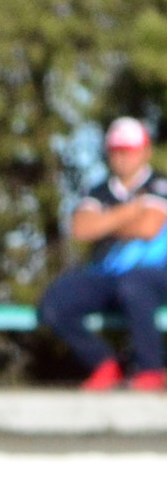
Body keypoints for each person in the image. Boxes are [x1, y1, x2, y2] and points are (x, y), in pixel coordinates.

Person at [36, 117, 167, 393]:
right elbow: (81, 228)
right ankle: (106, 363)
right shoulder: (99, 189)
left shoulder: (159, 185)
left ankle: (151, 368)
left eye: (128, 150)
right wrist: (130, 211)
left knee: (134, 285)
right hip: (108, 275)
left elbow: (148, 228)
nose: (121, 157)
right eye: (116, 149)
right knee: (55, 301)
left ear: (145, 151)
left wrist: (105, 222)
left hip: (155, 275)